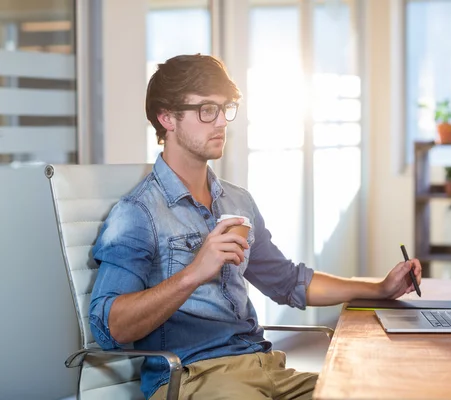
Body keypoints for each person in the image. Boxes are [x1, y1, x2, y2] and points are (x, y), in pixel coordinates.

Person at [89, 54, 422, 400]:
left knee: (378, 392)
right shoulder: (138, 213)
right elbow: (108, 327)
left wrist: (380, 288)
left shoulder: (238, 202)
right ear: (166, 118)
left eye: (225, 108)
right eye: (206, 110)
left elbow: (289, 282)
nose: (220, 122)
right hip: (194, 378)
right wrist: (193, 274)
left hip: (267, 370)